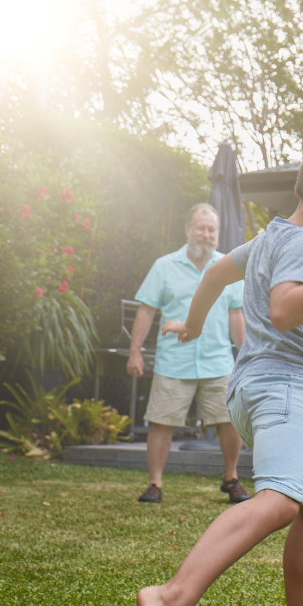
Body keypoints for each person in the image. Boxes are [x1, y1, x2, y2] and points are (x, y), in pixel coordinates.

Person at [138, 135, 303, 606]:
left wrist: (191, 325)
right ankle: (170, 598)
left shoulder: (272, 236)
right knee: (279, 501)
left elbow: (213, 274)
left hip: (250, 387)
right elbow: (284, 307)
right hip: (285, 388)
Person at [128, 203, 249, 505]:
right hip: (174, 360)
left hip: (218, 358)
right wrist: (135, 352)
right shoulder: (164, 266)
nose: (206, 235)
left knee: (231, 419)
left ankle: (231, 478)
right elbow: (146, 311)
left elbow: (237, 316)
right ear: (188, 230)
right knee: (161, 421)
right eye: (201, 228)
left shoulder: (229, 267)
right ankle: (155, 484)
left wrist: (246, 354)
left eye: (212, 230)